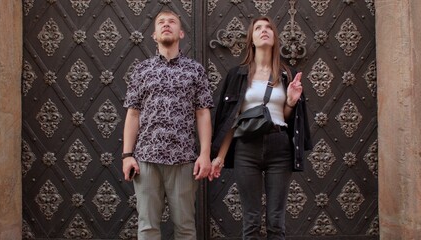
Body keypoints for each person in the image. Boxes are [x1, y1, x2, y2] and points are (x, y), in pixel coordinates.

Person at [210, 16, 312, 239]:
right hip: (247, 148)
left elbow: (283, 116)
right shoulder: (238, 74)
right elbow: (231, 120)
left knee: (276, 221)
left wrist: (291, 101)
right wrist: (219, 157)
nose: (264, 30)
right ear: (252, 39)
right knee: (252, 220)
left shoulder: (287, 73)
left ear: (275, 38)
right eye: (258, 28)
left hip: (279, 145)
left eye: (268, 28)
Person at [122, 9, 214, 240]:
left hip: (183, 159)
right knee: (147, 227)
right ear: (154, 35)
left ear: (181, 32)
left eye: (172, 22)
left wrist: (204, 155)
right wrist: (127, 155)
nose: (166, 25)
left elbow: (202, 114)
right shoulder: (142, 70)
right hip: (146, 160)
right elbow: (133, 114)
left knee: (185, 227)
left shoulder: (195, 70)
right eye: (161, 22)